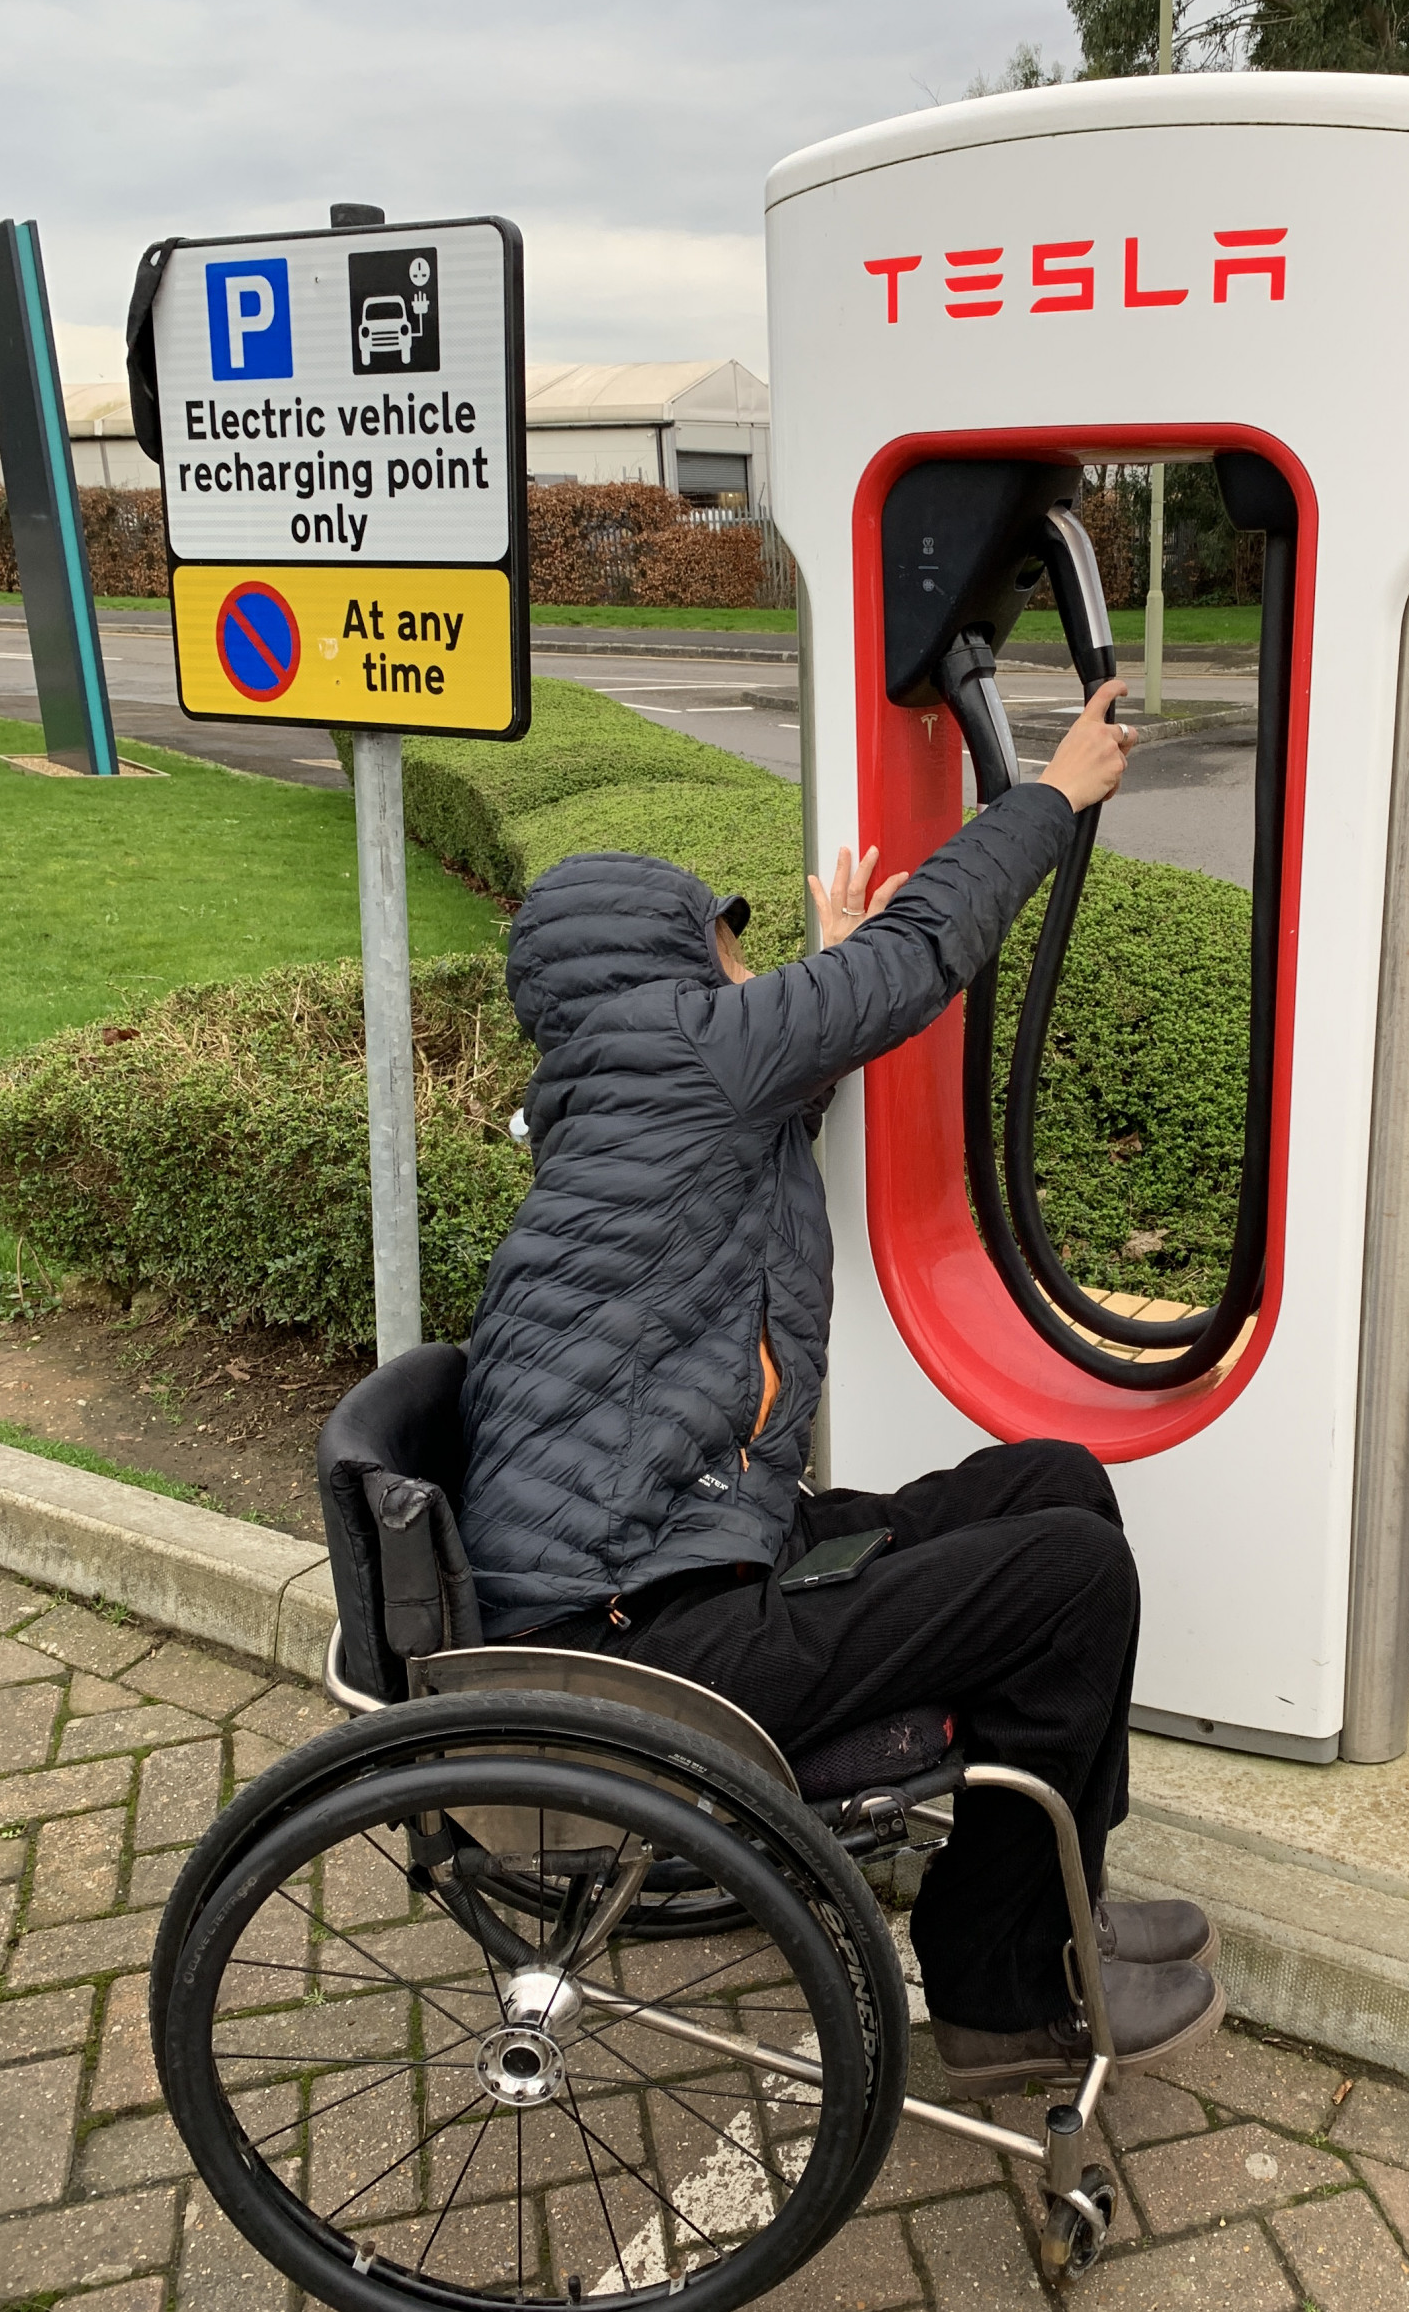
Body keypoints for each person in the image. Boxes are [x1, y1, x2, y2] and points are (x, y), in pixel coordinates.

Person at [457, 678, 1220, 2097]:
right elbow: (926, 955)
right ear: (662, 964)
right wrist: (1053, 793)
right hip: (645, 1640)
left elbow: (787, 1085)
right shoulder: (678, 1058)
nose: (746, 978)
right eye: (723, 951)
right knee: (1068, 1578)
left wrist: (823, 962)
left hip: (673, 1568)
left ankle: (1059, 1912)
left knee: (1052, 1483)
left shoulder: (639, 1087)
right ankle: (999, 1987)